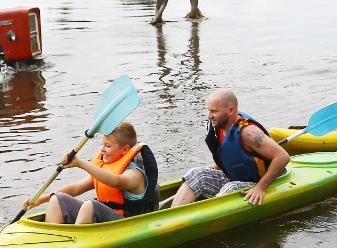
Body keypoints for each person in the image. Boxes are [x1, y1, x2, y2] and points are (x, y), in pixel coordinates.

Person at [170, 88, 290, 208]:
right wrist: (218, 165)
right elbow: (232, 152)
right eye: (209, 110)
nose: (209, 116)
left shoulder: (248, 133)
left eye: (214, 111)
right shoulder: (219, 126)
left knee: (230, 188)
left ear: (231, 110)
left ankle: (206, 220)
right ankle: (173, 215)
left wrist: (260, 187)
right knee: (196, 173)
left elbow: (282, 157)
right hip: (234, 177)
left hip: (257, 182)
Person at [23, 122, 159, 224]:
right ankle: (51, 241)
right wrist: (39, 200)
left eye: (108, 146)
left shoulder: (134, 174)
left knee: (90, 205)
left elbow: (116, 181)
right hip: (105, 220)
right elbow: (75, 189)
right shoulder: (105, 168)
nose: (102, 150)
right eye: (102, 144)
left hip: (127, 223)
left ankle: (73, 247)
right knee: (58, 198)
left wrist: (80, 163)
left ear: (125, 150)